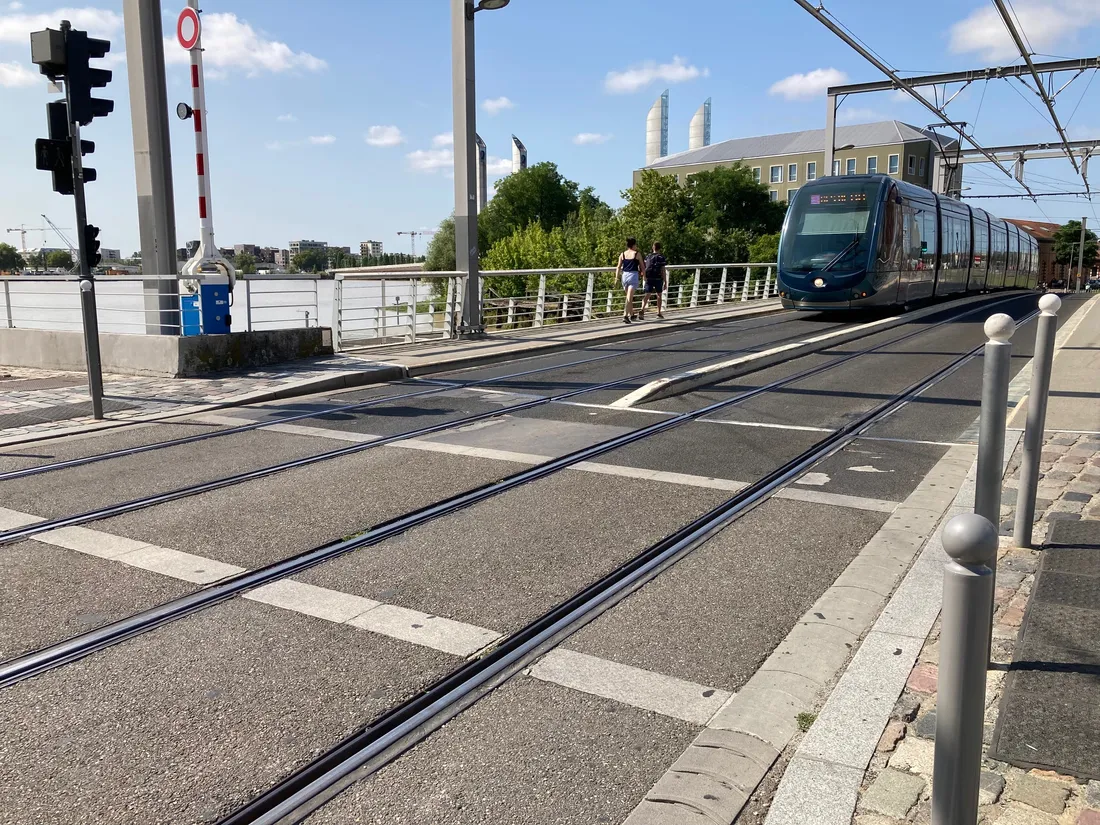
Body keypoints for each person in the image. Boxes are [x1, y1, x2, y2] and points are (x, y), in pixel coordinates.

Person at [616, 238, 644, 323]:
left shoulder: (622, 254)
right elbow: (642, 266)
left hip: (624, 276)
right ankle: (625, 315)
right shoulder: (637, 254)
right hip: (633, 276)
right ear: (633, 245)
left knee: (629, 297)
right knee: (629, 297)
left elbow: (618, 267)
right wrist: (644, 277)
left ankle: (632, 314)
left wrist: (616, 277)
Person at [641, 241, 667, 319]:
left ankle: (642, 309)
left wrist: (644, 277)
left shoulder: (648, 256)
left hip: (649, 278)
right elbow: (663, 270)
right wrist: (665, 281)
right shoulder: (661, 257)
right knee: (659, 295)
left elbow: (644, 267)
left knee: (647, 294)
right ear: (660, 248)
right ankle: (659, 313)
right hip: (658, 278)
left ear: (653, 247)